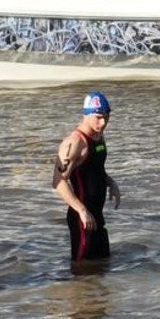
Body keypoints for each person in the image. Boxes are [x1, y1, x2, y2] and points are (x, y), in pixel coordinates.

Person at [54, 91, 122, 268]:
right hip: (82, 218)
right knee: (82, 270)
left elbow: (95, 169)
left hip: (97, 215)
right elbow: (58, 182)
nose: (103, 123)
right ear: (86, 115)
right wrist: (81, 210)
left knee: (103, 266)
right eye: (99, 118)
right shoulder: (75, 143)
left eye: (107, 117)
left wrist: (110, 182)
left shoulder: (98, 136)